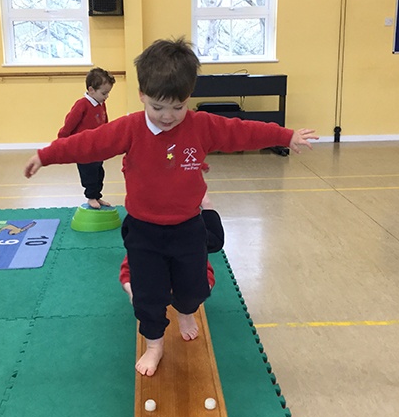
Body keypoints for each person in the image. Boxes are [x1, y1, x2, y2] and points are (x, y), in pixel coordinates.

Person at [24, 37, 318, 376]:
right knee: (148, 297)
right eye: (158, 107)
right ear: (142, 95)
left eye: (177, 108)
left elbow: (242, 132)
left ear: (188, 97)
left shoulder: (202, 125)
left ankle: (186, 311)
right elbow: (88, 144)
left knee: (193, 291)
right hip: (144, 230)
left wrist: (285, 136)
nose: (167, 116)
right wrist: (46, 155)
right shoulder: (130, 128)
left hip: (187, 227)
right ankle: (154, 345)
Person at [119, 193, 223, 303]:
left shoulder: (190, 242)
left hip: (186, 242)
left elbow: (205, 271)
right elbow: (127, 272)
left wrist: (198, 293)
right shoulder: (144, 243)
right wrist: (133, 293)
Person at [58, 67, 115, 209]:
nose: (107, 96)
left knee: (99, 172)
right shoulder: (82, 104)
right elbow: (69, 123)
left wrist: (107, 135)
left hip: (97, 147)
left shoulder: (101, 103)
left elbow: (104, 121)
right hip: (83, 148)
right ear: (91, 90)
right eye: (104, 93)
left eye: (108, 93)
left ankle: (97, 195)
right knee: (89, 173)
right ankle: (91, 197)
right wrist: (62, 140)